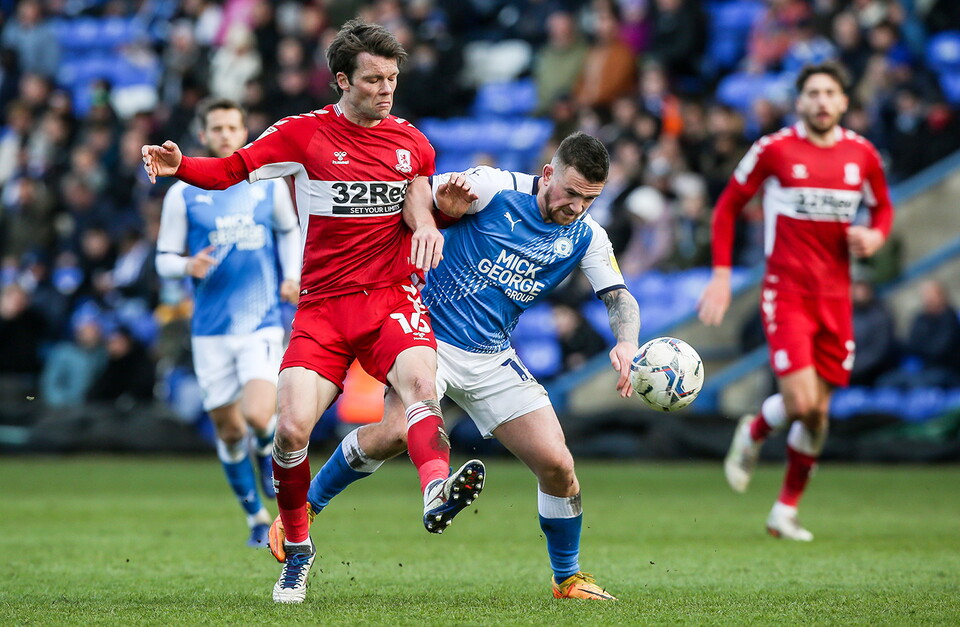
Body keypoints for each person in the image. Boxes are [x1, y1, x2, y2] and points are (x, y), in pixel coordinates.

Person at [142, 19, 480, 604]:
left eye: (393, 78)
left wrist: (431, 225)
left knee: (423, 388)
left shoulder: (414, 144)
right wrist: (182, 166)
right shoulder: (302, 136)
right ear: (342, 80)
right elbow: (231, 170)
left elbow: (420, 210)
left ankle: (432, 493)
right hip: (321, 309)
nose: (386, 89)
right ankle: (297, 550)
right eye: (374, 79)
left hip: (390, 298)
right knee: (291, 430)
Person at [272, 132, 641, 600]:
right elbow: (414, 194)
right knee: (391, 433)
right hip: (425, 337)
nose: (576, 207)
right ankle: (305, 507)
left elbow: (619, 297)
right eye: (570, 193)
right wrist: (436, 212)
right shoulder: (492, 185)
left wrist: (627, 343)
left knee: (559, 465)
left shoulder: (587, 236)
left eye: (589, 199)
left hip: (492, 356)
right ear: (548, 174)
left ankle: (567, 578)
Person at [698, 62, 894, 541]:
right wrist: (722, 275)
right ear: (799, 101)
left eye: (831, 92)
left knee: (818, 415)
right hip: (786, 292)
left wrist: (875, 235)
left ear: (844, 102)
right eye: (813, 93)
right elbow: (727, 207)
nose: (822, 101)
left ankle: (784, 510)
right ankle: (756, 430)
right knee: (802, 401)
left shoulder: (862, 155)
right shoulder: (775, 150)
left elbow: (883, 207)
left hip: (837, 297)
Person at [154, 98, 302, 549]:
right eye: (216, 127)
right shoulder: (182, 193)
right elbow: (162, 260)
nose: (224, 134)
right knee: (229, 429)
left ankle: (266, 463)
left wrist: (292, 274)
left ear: (244, 132)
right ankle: (256, 517)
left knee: (259, 415)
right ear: (204, 134)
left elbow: (290, 230)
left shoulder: (266, 184)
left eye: (232, 126)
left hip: (260, 323)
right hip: (210, 331)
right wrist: (186, 266)